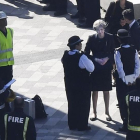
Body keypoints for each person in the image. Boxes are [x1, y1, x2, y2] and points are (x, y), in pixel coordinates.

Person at [62, 36, 94, 131]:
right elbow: (91, 68)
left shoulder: (65, 55)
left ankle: (72, 124)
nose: (81, 45)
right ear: (76, 45)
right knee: (83, 104)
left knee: (72, 103)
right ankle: (82, 125)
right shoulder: (81, 57)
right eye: (80, 43)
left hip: (69, 84)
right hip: (82, 84)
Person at [84, 19, 115, 121]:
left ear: (104, 29)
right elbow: (86, 53)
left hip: (106, 66)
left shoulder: (110, 37)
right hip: (95, 66)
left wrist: (107, 58)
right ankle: (94, 112)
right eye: (98, 30)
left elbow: (113, 52)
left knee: (106, 90)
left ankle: (107, 112)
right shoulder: (91, 38)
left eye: (101, 29)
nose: (100, 32)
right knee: (95, 90)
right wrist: (95, 59)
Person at [115, 29, 140, 132]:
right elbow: (137, 65)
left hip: (122, 81)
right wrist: (134, 78)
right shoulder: (133, 50)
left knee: (122, 101)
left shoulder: (118, 51)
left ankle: (125, 122)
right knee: (132, 101)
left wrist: (126, 80)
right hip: (133, 80)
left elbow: (119, 68)